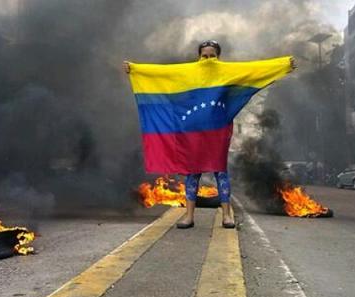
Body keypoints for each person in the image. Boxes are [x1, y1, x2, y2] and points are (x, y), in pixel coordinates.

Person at [123, 40, 296, 229]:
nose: (208, 59)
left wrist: (284, 65)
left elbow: (255, 69)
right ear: (199, 57)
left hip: (218, 132)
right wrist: (135, 69)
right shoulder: (187, 72)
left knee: (221, 173)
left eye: (212, 56)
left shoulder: (226, 72)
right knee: (192, 173)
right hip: (190, 133)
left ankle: (227, 215)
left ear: (218, 57)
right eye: (204, 56)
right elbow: (162, 74)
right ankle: (188, 216)